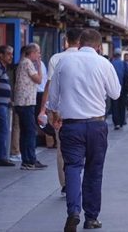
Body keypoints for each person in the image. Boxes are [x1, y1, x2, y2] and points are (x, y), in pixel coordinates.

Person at [49, 29, 121, 231]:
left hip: (71, 126)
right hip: (96, 125)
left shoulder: (64, 62)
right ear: (98, 46)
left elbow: (54, 97)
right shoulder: (104, 63)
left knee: (72, 168)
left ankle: (73, 211)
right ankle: (91, 218)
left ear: (79, 42)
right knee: (94, 171)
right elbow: (115, 94)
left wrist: (54, 115)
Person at [40, 28, 82, 197]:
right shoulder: (88, 60)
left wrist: (43, 109)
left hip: (59, 111)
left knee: (62, 149)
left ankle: (65, 183)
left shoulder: (56, 58)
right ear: (80, 42)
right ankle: (77, 180)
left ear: (66, 41)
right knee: (81, 148)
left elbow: (49, 86)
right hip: (81, 111)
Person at [13, 43, 47, 170]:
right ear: (32, 52)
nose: (39, 55)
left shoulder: (23, 62)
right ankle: (30, 159)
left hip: (22, 102)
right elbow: (38, 79)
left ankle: (27, 159)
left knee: (25, 131)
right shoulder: (27, 63)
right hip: (26, 102)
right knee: (30, 131)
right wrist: (38, 66)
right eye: (37, 52)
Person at [110, 52, 128, 130]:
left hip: (113, 86)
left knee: (115, 105)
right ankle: (121, 121)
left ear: (114, 56)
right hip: (123, 87)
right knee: (122, 105)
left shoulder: (111, 63)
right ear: (120, 56)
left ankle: (116, 122)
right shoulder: (124, 63)